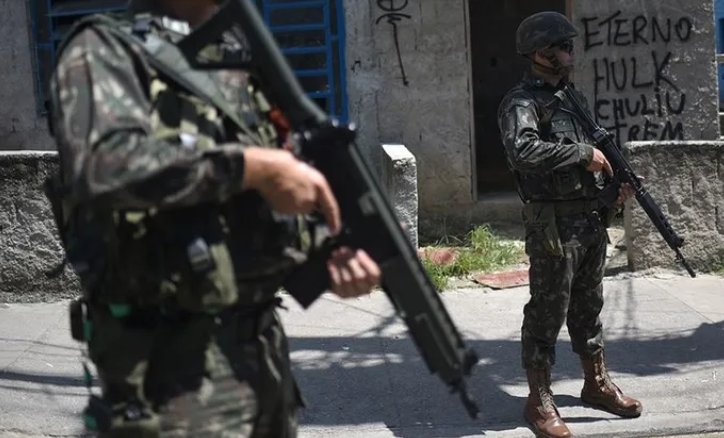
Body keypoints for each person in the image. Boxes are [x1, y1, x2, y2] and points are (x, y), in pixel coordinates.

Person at [45, 0, 381, 436]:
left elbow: (251, 203)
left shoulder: (227, 54)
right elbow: (103, 167)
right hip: (172, 373)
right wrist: (250, 166)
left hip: (263, 360)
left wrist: (324, 254)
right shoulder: (104, 48)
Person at [497, 11, 642, 438]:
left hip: (588, 219)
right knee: (547, 312)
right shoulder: (521, 102)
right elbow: (522, 151)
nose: (571, 52)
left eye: (570, 45)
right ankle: (539, 400)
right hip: (554, 227)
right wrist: (582, 154)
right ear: (540, 53)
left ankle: (596, 383)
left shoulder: (571, 98)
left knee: (588, 307)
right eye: (563, 46)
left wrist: (613, 190)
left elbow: (592, 155)